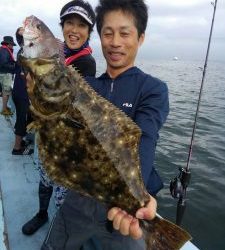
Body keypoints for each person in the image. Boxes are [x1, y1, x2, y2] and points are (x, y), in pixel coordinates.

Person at [41, 0, 169, 249]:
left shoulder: (153, 89)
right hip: (78, 199)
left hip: (122, 212)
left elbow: (145, 138)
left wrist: (135, 198)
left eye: (125, 33)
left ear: (140, 38)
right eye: (108, 33)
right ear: (99, 37)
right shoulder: (86, 85)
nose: (115, 42)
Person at [22, 0, 96, 236]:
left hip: (66, 138)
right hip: (46, 128)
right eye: (69, 23)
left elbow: (73, 103)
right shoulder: (55, 50)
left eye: (81, 26)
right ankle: (42, 214)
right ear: (62, 27)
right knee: (44, 178)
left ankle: (63, 231)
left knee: (63, 190)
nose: (74, 30)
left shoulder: (86, 63)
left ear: (88, 32)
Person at [11, 27, 34, 155]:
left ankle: (21, 141)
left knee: (21, 117)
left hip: (17, 91)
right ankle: (17, 148)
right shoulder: (26, 52)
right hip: (22, 93)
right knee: (21, 119)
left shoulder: (21, 51)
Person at [0, 36, 16, 116]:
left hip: (3, 73)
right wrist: (15, 66)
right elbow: (4, 63)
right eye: (12, 45)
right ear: (8, 44)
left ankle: (4, 107)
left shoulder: (3, 49)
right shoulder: (5, 51)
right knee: (6, 92)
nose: (12, 46)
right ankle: (4, 110)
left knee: (4, 91)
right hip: (6, 74)